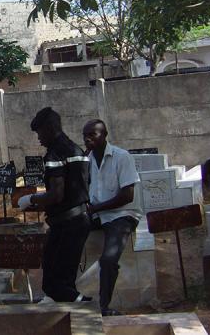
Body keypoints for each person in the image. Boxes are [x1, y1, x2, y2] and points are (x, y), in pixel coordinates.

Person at [18, 107, 92, 303]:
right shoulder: (77, 149)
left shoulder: (55, 154)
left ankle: (87, 307)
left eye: (39, 132)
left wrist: (31, 199)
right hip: (78, 220)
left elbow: (57, 194)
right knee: (61, 280)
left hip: (67, 224)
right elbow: (73, 191)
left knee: (55, 284)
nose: (39, 138)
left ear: (50, 128)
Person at [82, 119, 141, 316]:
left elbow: (127, 196)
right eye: (85, 136)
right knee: (64, 233)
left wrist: (96, 208)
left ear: (105, 135)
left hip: (122, 214)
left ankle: (104, 306)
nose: (88, 139)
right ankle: (62, 293)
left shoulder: (122, 157)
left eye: (93, 134)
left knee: (108, 260)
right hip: (98, 214)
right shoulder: (87, 160)